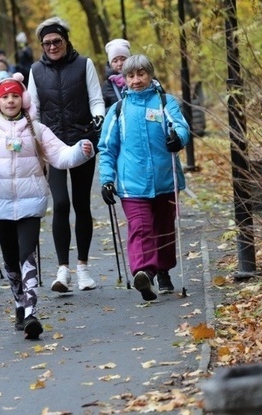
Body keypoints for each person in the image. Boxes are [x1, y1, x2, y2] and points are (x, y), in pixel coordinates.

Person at [0, 73, 94, 339]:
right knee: (11, 261)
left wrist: (81, 150)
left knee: (28, 255)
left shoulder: (36, 129)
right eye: (5, 97)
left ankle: (31, 313)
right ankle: (18, 302)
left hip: (30, 203)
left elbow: (60, 155)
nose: (11, 101)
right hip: (0, 204)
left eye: (15, 96)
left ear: (23, 100)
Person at [98, 54, 190, 301]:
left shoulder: (164, 102)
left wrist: (177, 138)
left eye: (141, 74)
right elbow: (107, 148)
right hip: (132, 184)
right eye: (131, 75)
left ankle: (163, 271)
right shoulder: (118, 110)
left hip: (165, 180)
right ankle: (144, 273)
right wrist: (107, 179)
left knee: (164, 229)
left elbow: (180, 127)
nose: (136, 80)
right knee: (140, 229)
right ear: (124, 79)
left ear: (150, 75)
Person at [27, 16, 105, 293]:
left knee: (81, 204)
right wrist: (32, 133)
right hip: (52, 145)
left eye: (56, 41)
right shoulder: (35, 71)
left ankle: (83, 267)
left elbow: (96, 98)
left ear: (66, 40)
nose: (52, 46)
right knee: (60, 204)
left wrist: (98, 118)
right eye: (46, 43)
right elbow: (32, 107)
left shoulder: (84, 64)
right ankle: (63, 269)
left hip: (83, 140)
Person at [102, 38, 131, 108]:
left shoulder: (142, 75)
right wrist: (117, 109)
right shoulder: (107, 85)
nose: (120, 63)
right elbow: (103, 111)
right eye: (115, 61)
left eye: (123, 59)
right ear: (110, 64)